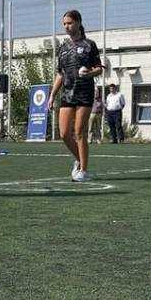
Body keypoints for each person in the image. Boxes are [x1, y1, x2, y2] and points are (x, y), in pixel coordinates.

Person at [47, 10, 104, 181]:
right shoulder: (63, 48)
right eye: (64, 23)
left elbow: (99, 68)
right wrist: (52, 96)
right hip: (67, 95)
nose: (66, 26)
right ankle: (79, 160)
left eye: (69, 23)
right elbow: (60, 74)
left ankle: (84, 172)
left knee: (79, 132)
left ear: (78, 22)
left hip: (84, 94)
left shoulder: (89, 45)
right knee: (64, 134)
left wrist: (89, 74)